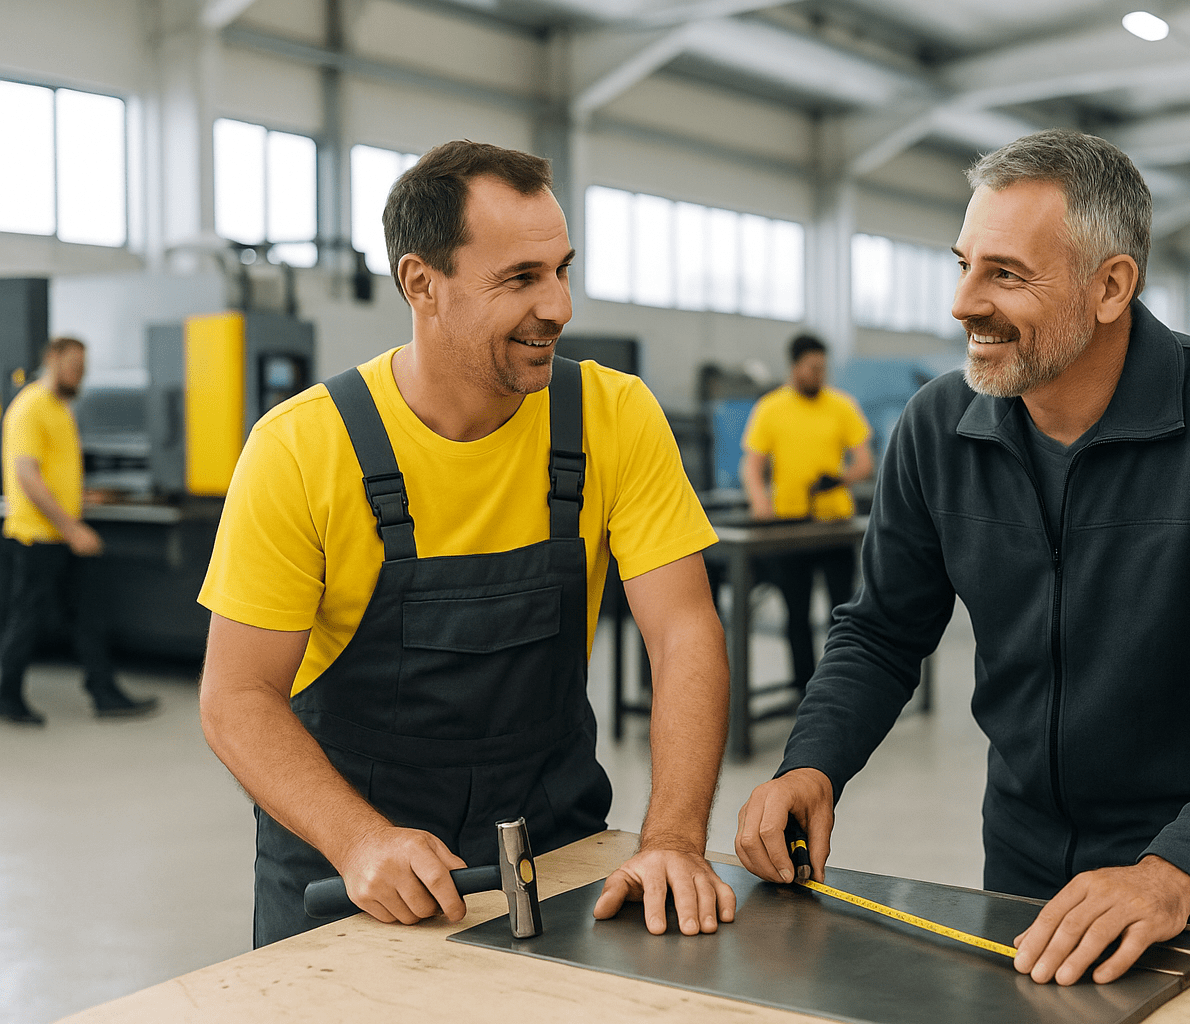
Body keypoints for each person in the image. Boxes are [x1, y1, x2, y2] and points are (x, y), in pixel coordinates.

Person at [735, 129, 1190, 985]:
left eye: (1004, 273)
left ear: (1111, 287)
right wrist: (811, 760)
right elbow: (883, 630)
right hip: (1023, 860)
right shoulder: (937, 429)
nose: (963, 302)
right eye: (963, 264)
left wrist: (1174, 873)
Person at [198, 141, 735, 947]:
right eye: (521, 279)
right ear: (422, 284)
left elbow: (685, 632)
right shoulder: (302, 448)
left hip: (555, 846)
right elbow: (236, 697)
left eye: (562, 269)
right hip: (348, 868)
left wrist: (671, 841)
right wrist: (358, 841)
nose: (557, 305)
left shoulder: (612, 418)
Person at [0, 336, 158, 726]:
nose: (79, 374)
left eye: (83, 368)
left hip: (60, 534)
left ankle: (104, 692)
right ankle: (7, 695)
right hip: (36, 536)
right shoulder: (30, 407)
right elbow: (27, 476)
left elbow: (52, 472)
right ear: (51, 359)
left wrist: (84, 496)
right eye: (74, 366)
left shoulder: (60, 408)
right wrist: (72, 528)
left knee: (88, 614)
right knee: (27, 619)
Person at [739, 334, 873, 689]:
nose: (818, 374)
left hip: (834, 527)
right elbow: (751, 466)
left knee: (841, 612)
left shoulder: (841, 406)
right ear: (795, 366)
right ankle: (804, 690)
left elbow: (865, 463)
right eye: (812, 368)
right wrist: (760, 503)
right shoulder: (771, 408)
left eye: (822, 369)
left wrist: (839, 479)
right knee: (795, 613)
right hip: (790, 528)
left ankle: (838, 685)